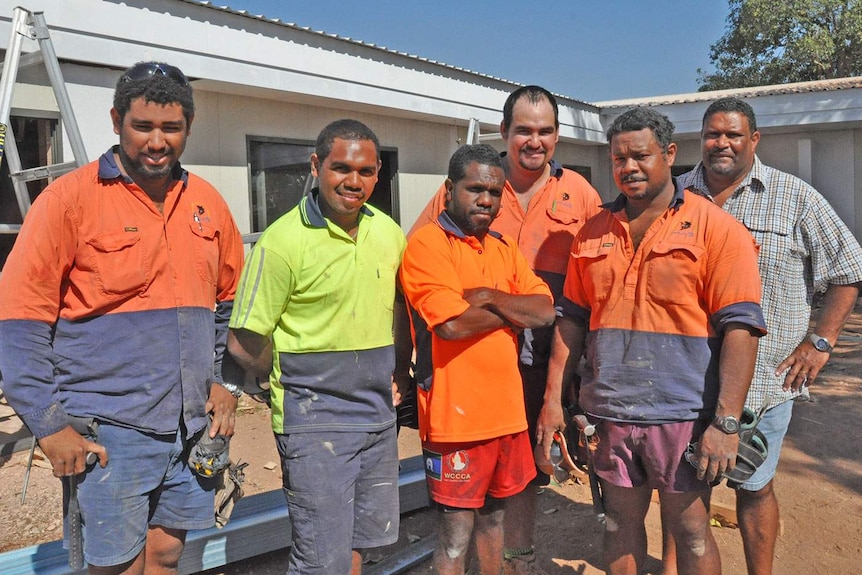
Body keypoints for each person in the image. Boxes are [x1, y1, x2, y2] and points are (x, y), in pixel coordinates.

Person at [0, 61, 245, 573]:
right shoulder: (68, 201)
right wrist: (49, 425)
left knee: (167, 553)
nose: (158, 142)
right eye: (143, 126)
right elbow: (19, 323)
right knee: (115, 565)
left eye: (171, 128)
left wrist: (225, 382)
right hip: (110, 430)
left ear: (188, 128)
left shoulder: (207, 204)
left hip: (190, 426)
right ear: (116, 120)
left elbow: (229, 305)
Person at [537, 107, 767, 575]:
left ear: (669, 153)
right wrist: (553, 399)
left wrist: (724, 424)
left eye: (640, 156)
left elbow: (741, 330)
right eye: (618, 158)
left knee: (692, 531)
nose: (628, 167)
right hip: (610, 412)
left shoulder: (717, 230)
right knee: (618, 524)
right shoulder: (593, 231)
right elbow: (572, 321)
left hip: (683, 415)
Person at [409, 85, 601, 575]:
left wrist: (492, 297)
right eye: (523, 131)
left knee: (521, 486)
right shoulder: (462, 201)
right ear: (505, 132)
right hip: (460, 393)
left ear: (557, 136)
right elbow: (444, 316)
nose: (533, 141)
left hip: (540, 365)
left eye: (544, 131)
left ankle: (519, 563)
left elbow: (553, 308)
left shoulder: (579, 194)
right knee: (458, 524)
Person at [671, 96, 862, 575]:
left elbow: (849, 269)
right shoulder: (672, 196)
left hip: (763, 383)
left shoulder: (795, 197)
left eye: (733, 134)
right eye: (713, 134)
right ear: (701, 139)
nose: (722, 143)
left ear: (754, 139)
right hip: (683, 380)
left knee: (753, 486)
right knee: (682, 492)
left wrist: (821, 342)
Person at [226, 119, 410, 575]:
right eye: (341, 168)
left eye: (366, 171)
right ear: (315, 166)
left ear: (378, 173)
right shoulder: (282, 243)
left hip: (377, 418)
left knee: (358, 545)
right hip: (314, 424)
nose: (353, 181)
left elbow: (400, 310)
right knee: (318, 559)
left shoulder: (388, 233)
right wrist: (285, 384)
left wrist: (400, 375)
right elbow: (244, 342)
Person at [401, 143, 556, 575]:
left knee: (496, 522)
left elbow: (544, 310)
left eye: (494, 191)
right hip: (456, 421)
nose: (486, 200)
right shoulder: (428, 245)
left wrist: (487, 297)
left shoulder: (502, 249)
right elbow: (450, 326)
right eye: (475, 189)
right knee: (454, 537)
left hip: (507, 417)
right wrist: (512, 313)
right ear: (450, 189)